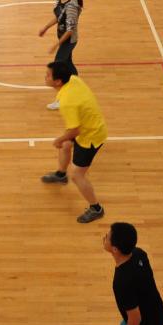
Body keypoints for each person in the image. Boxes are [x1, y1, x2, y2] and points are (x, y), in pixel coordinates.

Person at [40, 61, 106, 223]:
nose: (45, 77)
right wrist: (64, 140)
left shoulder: (67, 102)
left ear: (58, 81)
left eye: (48, 75)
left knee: (77, 175)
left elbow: (74, 130)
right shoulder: (74, 80)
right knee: (66, 145)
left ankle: (96, 208)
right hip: (87, 126)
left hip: (91, 136)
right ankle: (61, 175)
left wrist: (59, 139)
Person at [38, 0, 83, 110]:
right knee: (68, 64)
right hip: (62, 38)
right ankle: (78, 87)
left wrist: (56, 45)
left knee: (58, 69)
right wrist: (45, 27)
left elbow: (70, 30)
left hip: (68, 41)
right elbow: (58, 17)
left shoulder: (72, 7)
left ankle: (61, 100)